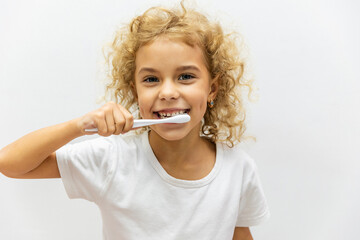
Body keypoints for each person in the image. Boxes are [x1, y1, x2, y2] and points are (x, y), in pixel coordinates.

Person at [0, 1, 270, 239]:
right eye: (151, 79)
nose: (167, 93)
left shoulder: (239, 169)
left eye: (186, 76)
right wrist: (78, 126)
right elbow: (10, 164)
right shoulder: (112, 160)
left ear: (212, 88)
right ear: (135, 92)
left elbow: (240, 234)